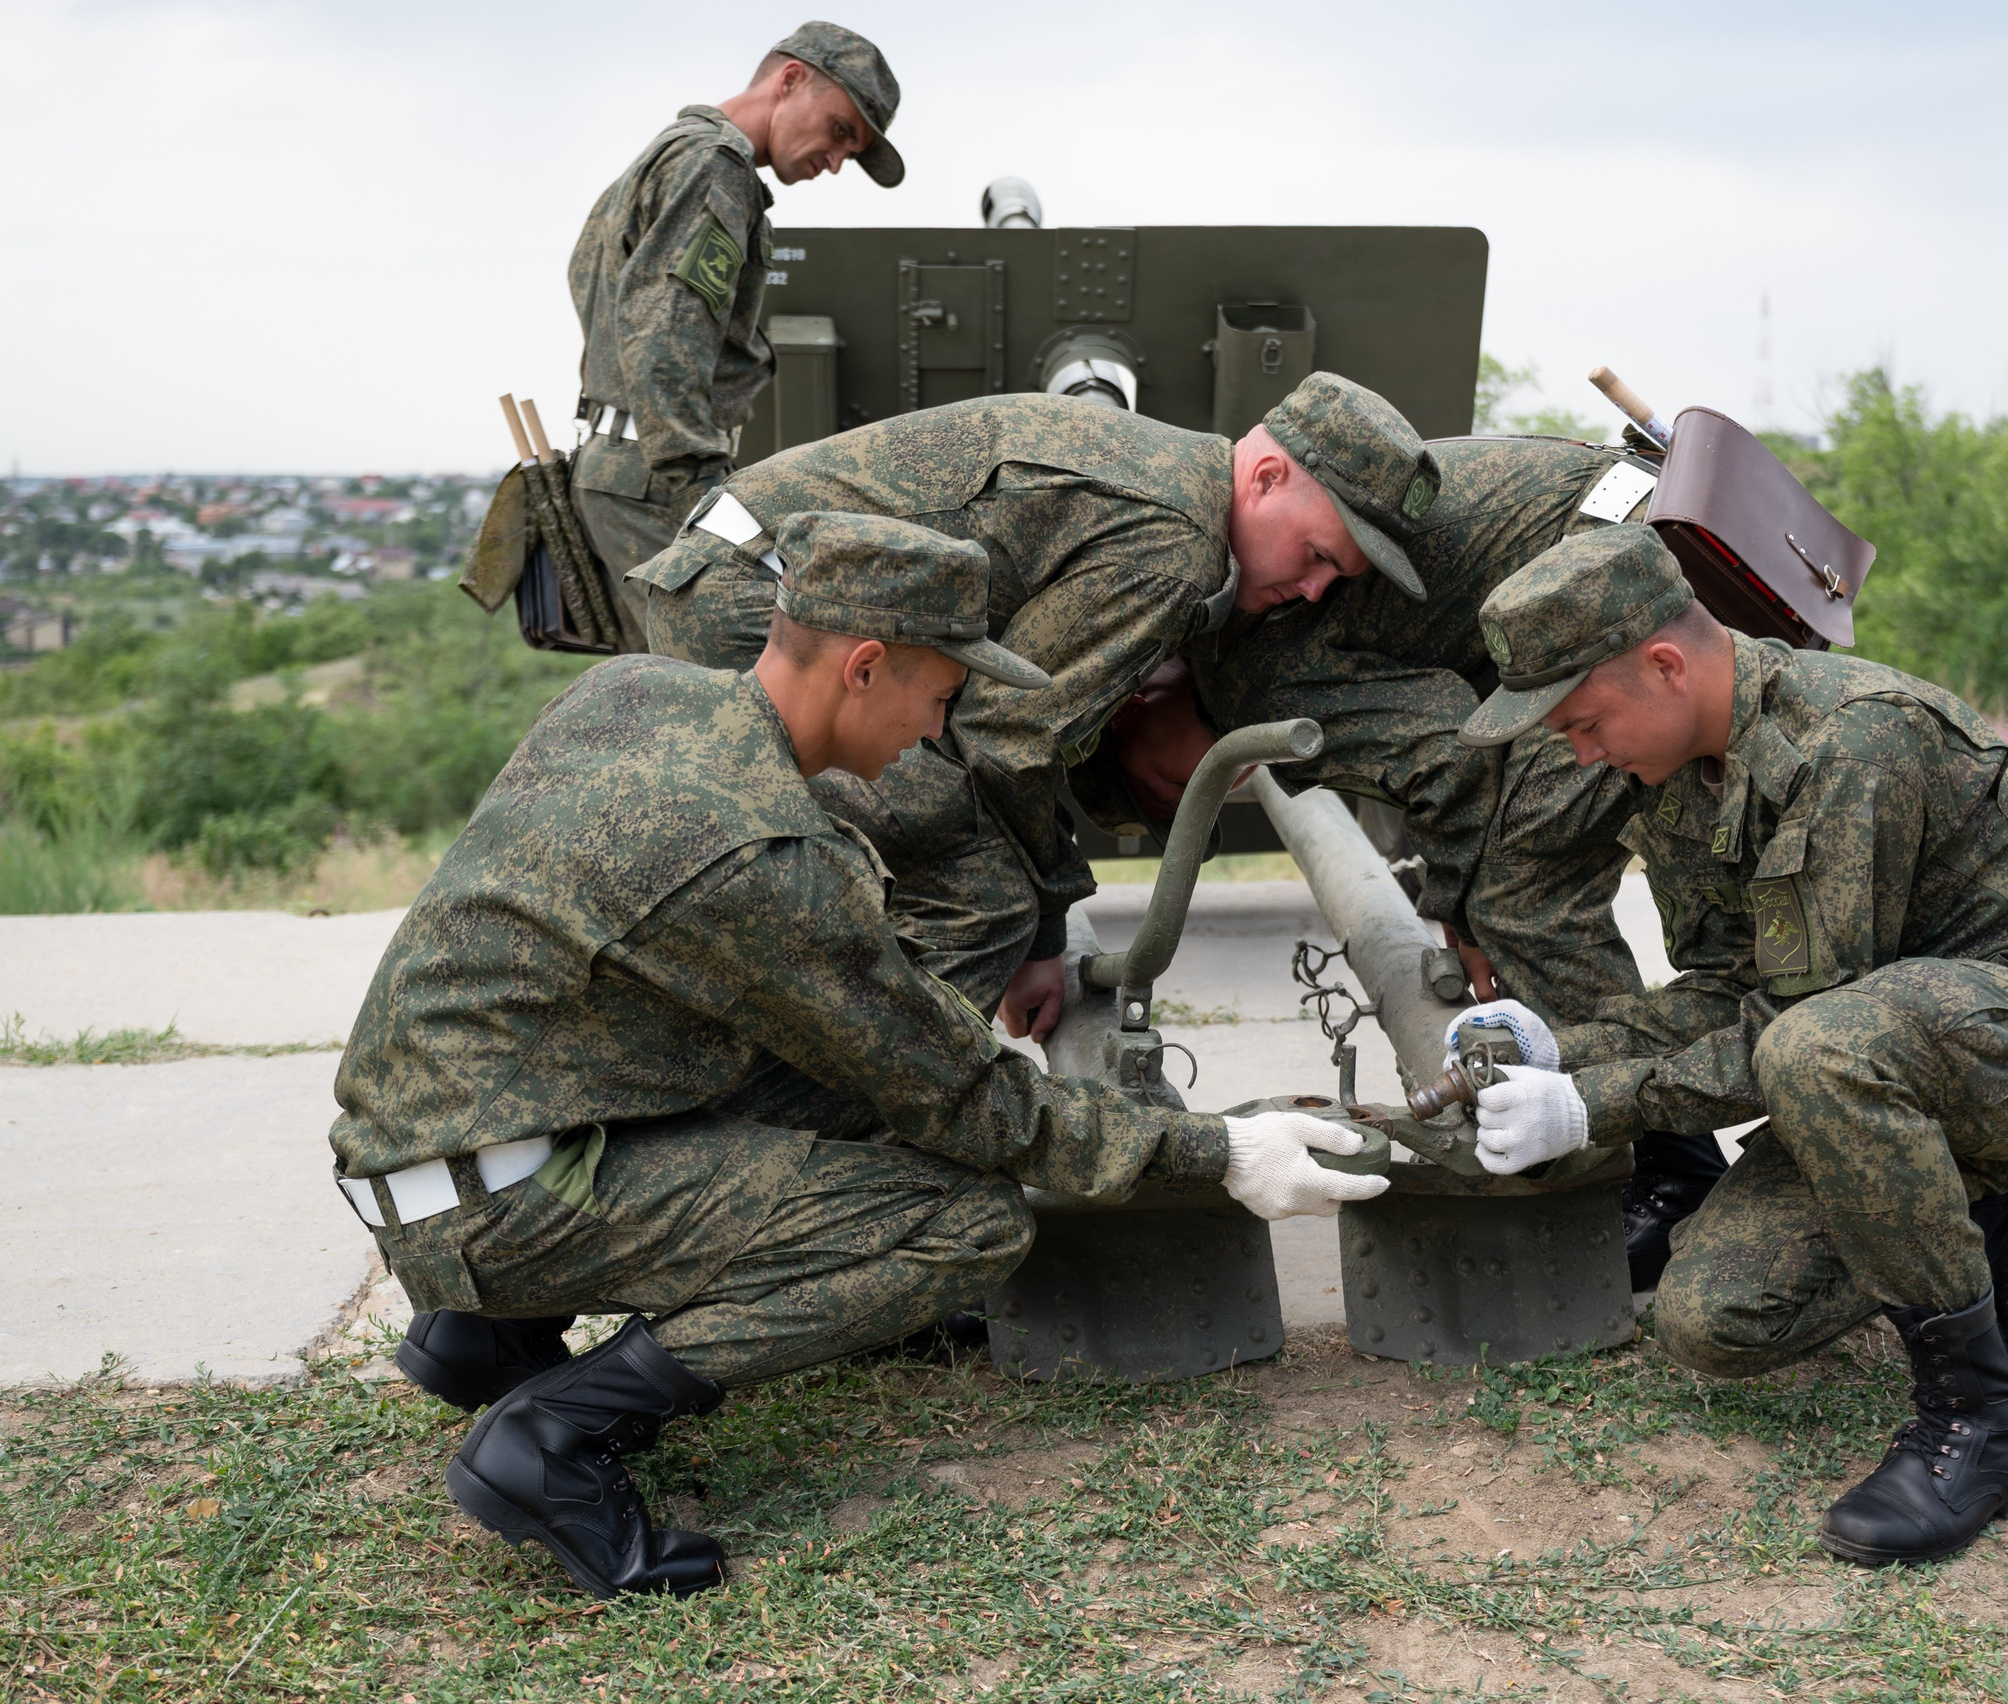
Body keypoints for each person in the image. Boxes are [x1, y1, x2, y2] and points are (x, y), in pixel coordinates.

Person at [331, 512, 1383, 1600]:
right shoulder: (769, 859)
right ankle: (546, 1440)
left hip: (435, 1137)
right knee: (960, 1221)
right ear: (865, 666)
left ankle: (481, 1337)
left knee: (854, 1083)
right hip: (496, 1201)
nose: (935, 734)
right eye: (939, 699)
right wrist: (1221, 1153)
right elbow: (971, 1101)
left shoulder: (638, 695)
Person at [1442, 524, 2008, 1568]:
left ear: (1664, 664)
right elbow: (1732, 994)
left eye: (1584, 723)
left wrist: (1592, 1106)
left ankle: (1983, 1421)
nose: (1582, 754)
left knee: (1817, 1051)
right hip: (1884, 1060)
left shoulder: (1852, 741)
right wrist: (1559, 1049)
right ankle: (2002, 1224)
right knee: (1712, 1318)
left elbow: (1797, 1028)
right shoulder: (1687, 774)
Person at [631, 371, 1440, 1037]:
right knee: (982, 888)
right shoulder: (1176, 546)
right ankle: (863, 1137)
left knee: (946, 847)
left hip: (733, 574)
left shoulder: (1168, 472)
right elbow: (1005, 736)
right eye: (1320, 555)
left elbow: (1013, 721)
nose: (1313, 588)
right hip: (759, 607)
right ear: (1266, 479)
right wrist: (1046, 931)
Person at [1119, 431, 1729, 1287]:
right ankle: (1658, 1140)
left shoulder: (1248, 681)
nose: (1203, 790)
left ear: (1144, 697)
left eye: (1164, 782)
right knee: (1525, 878)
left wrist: (1462, 907)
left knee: (1522, 890)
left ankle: (1671, 1174)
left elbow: (1452, 752)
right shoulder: (1240, 625)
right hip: (1659, 554)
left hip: (1634, 602)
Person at [566, 22, 906, 641]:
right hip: (659, 477)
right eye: (839, 131)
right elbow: (662, 336)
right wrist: (704, 496)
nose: (834, 163)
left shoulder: (674, 150)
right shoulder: (713, 168)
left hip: (631, 467)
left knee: (669, 698)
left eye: (849, 154)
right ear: (791, 79)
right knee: (751, 693)